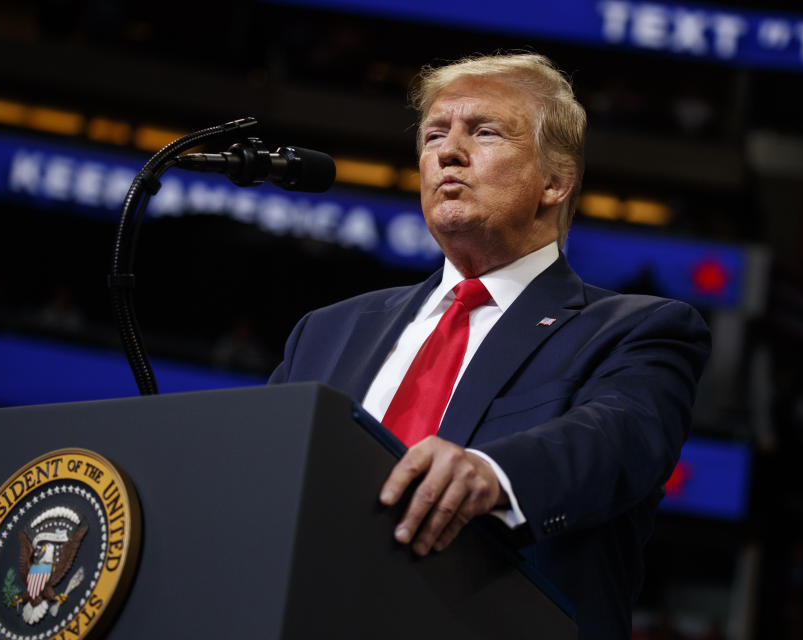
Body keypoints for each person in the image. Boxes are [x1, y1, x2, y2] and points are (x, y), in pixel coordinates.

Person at [269, 52, 710, 639]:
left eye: (483, 131)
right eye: (433, 136)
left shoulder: (638, 329)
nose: (447, 152)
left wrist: (492, 473)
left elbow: (614, 437)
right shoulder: (325, 331)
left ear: (555, 181)